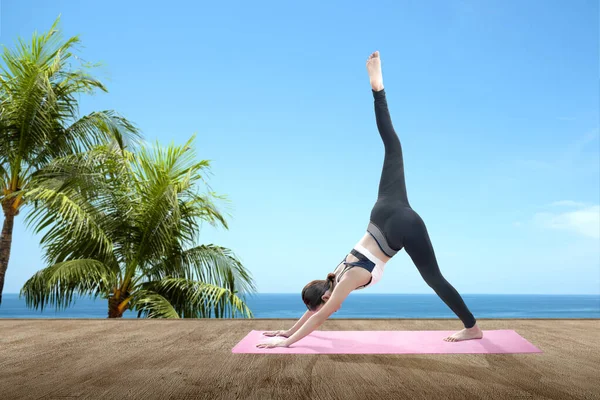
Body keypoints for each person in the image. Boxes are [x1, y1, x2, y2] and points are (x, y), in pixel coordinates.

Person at [257, 51, 483, 349]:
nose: (324, 303)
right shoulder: (334, 273)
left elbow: (321, 314)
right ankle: (378, 89)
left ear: (324, 295)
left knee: (434, 279)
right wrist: (286, 331)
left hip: (402, 229)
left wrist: (287, 342)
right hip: (384, 210)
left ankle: (474, 328)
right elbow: (315, 307)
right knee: (392, 147)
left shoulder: (345, 282)